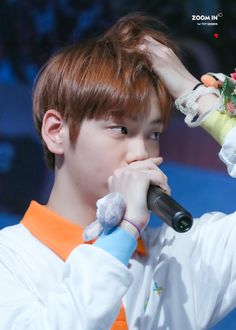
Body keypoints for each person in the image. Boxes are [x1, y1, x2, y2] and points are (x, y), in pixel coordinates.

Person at [0, 13, 236, 330]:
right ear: (56, 131)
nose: (142, 153)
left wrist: (193, 93)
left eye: (154, 134)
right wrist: (120, 237)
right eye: (121, 129)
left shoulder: (182, 255)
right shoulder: (11, 260)